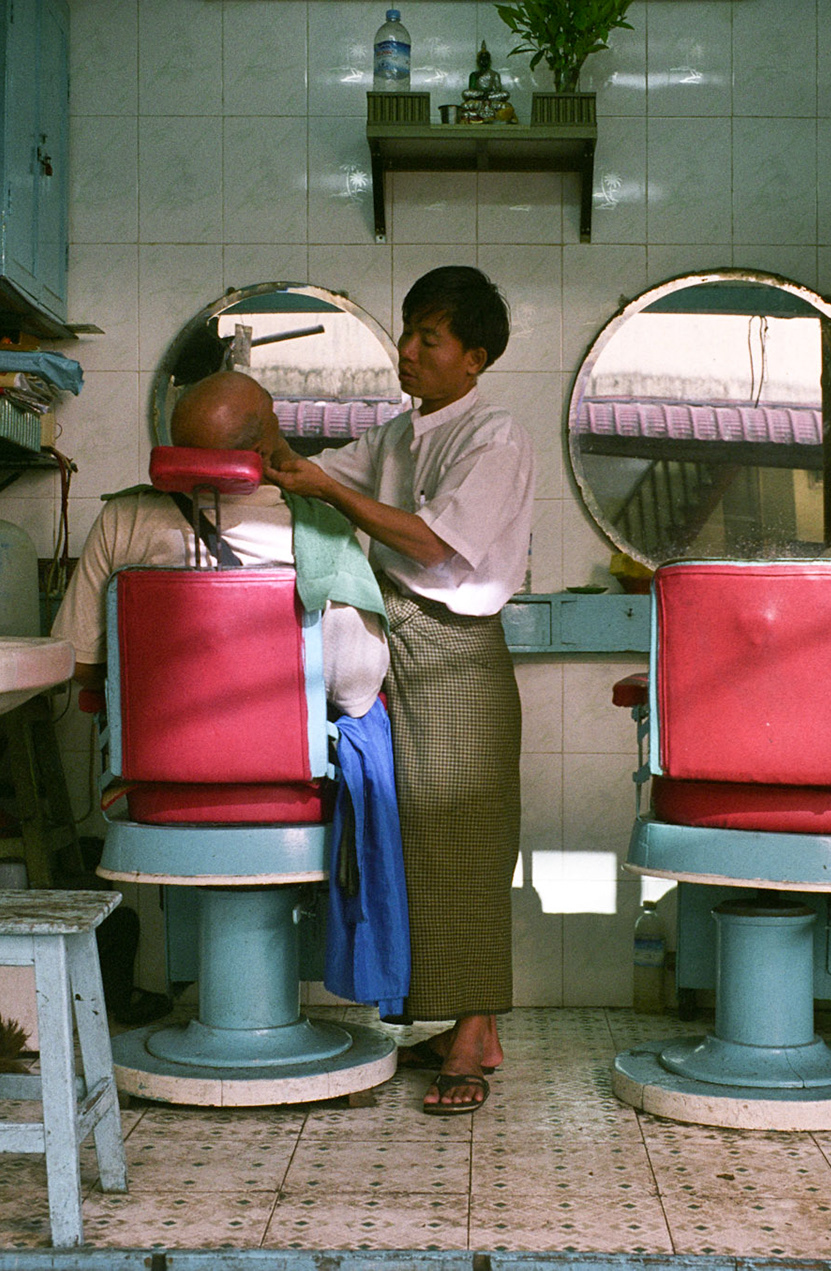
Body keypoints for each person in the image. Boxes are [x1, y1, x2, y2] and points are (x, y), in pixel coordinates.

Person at [264, 266, 532, 1114]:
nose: (408, 352)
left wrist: (327, 488)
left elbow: (433, 544)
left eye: (430, 339)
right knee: (408, 842)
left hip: (455, 650)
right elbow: (302, 471)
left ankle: (474, 1029)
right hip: (398, 645)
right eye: (408, 332)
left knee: (467, 843)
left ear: (474, 358)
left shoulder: (495, 435)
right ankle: (469, 1027)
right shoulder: (397, 434)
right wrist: (253, 439)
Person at [51, 371, 387, 716]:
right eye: (274, 415)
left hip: (154, 752)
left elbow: (77, 661)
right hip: (282, 754)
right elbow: (354, 688)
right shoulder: (320, 530)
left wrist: (175, 682)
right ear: (261, 450)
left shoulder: (124, 517)